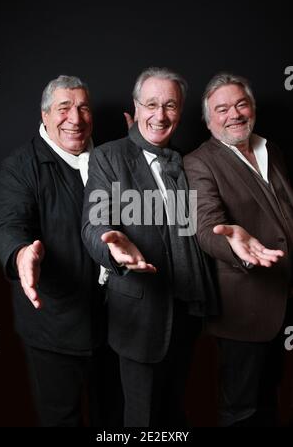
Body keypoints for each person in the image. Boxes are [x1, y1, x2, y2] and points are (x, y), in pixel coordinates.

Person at [82, 66, 220, 427]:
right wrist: (112, 249)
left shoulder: (185, 162)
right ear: (137, 107)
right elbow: (94, 223)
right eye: (152, 104)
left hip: (189, 311)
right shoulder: (109, 157)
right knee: (142, 420)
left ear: (181, 109)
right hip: (140, 315)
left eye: (170, 106)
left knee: (175, 413)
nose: (160, 115)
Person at [0, 75, 106, 427]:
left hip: (114, 326)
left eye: (83, 107)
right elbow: (8, 225)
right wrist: (20, 255)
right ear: (44, 115)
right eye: (64, 108)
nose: (75, 117)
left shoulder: (109, 159)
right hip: (53, 327)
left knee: (115, 420)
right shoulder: (21, 166)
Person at [184, 72, 293, 427]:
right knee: (240, 411)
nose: (234, 114)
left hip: (281, 300)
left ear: (253, 108)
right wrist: (234, 244)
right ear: (208, 119)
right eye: (222, 109)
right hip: (243, 310)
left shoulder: (270, 149)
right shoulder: (199, 161)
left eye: (241, 104)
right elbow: (205, 228)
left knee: (269, 400)